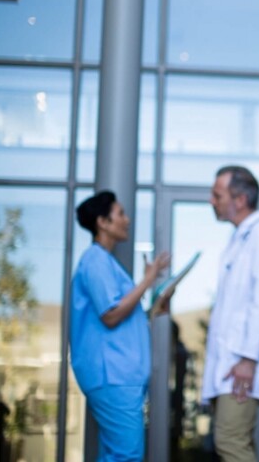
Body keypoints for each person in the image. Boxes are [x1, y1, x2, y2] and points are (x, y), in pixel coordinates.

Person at [70, 190, 171, 461]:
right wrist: (147, 280)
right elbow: (111, 314)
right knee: (127, 455)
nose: (127, 220)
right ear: (102, 222)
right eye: (120, 214)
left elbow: (126, 314)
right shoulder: (95, 260)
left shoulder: (105, 263)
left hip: (118, 376)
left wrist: (158, 298)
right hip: (113, 375)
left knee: (116, 455)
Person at [202, 165, 259, 462]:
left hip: (243, 364)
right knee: (231, 440)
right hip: (233, 363)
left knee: (230, 439)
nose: (211, 201)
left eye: (218, 195)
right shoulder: (241, 238)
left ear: (239, 199)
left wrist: (248, 358)